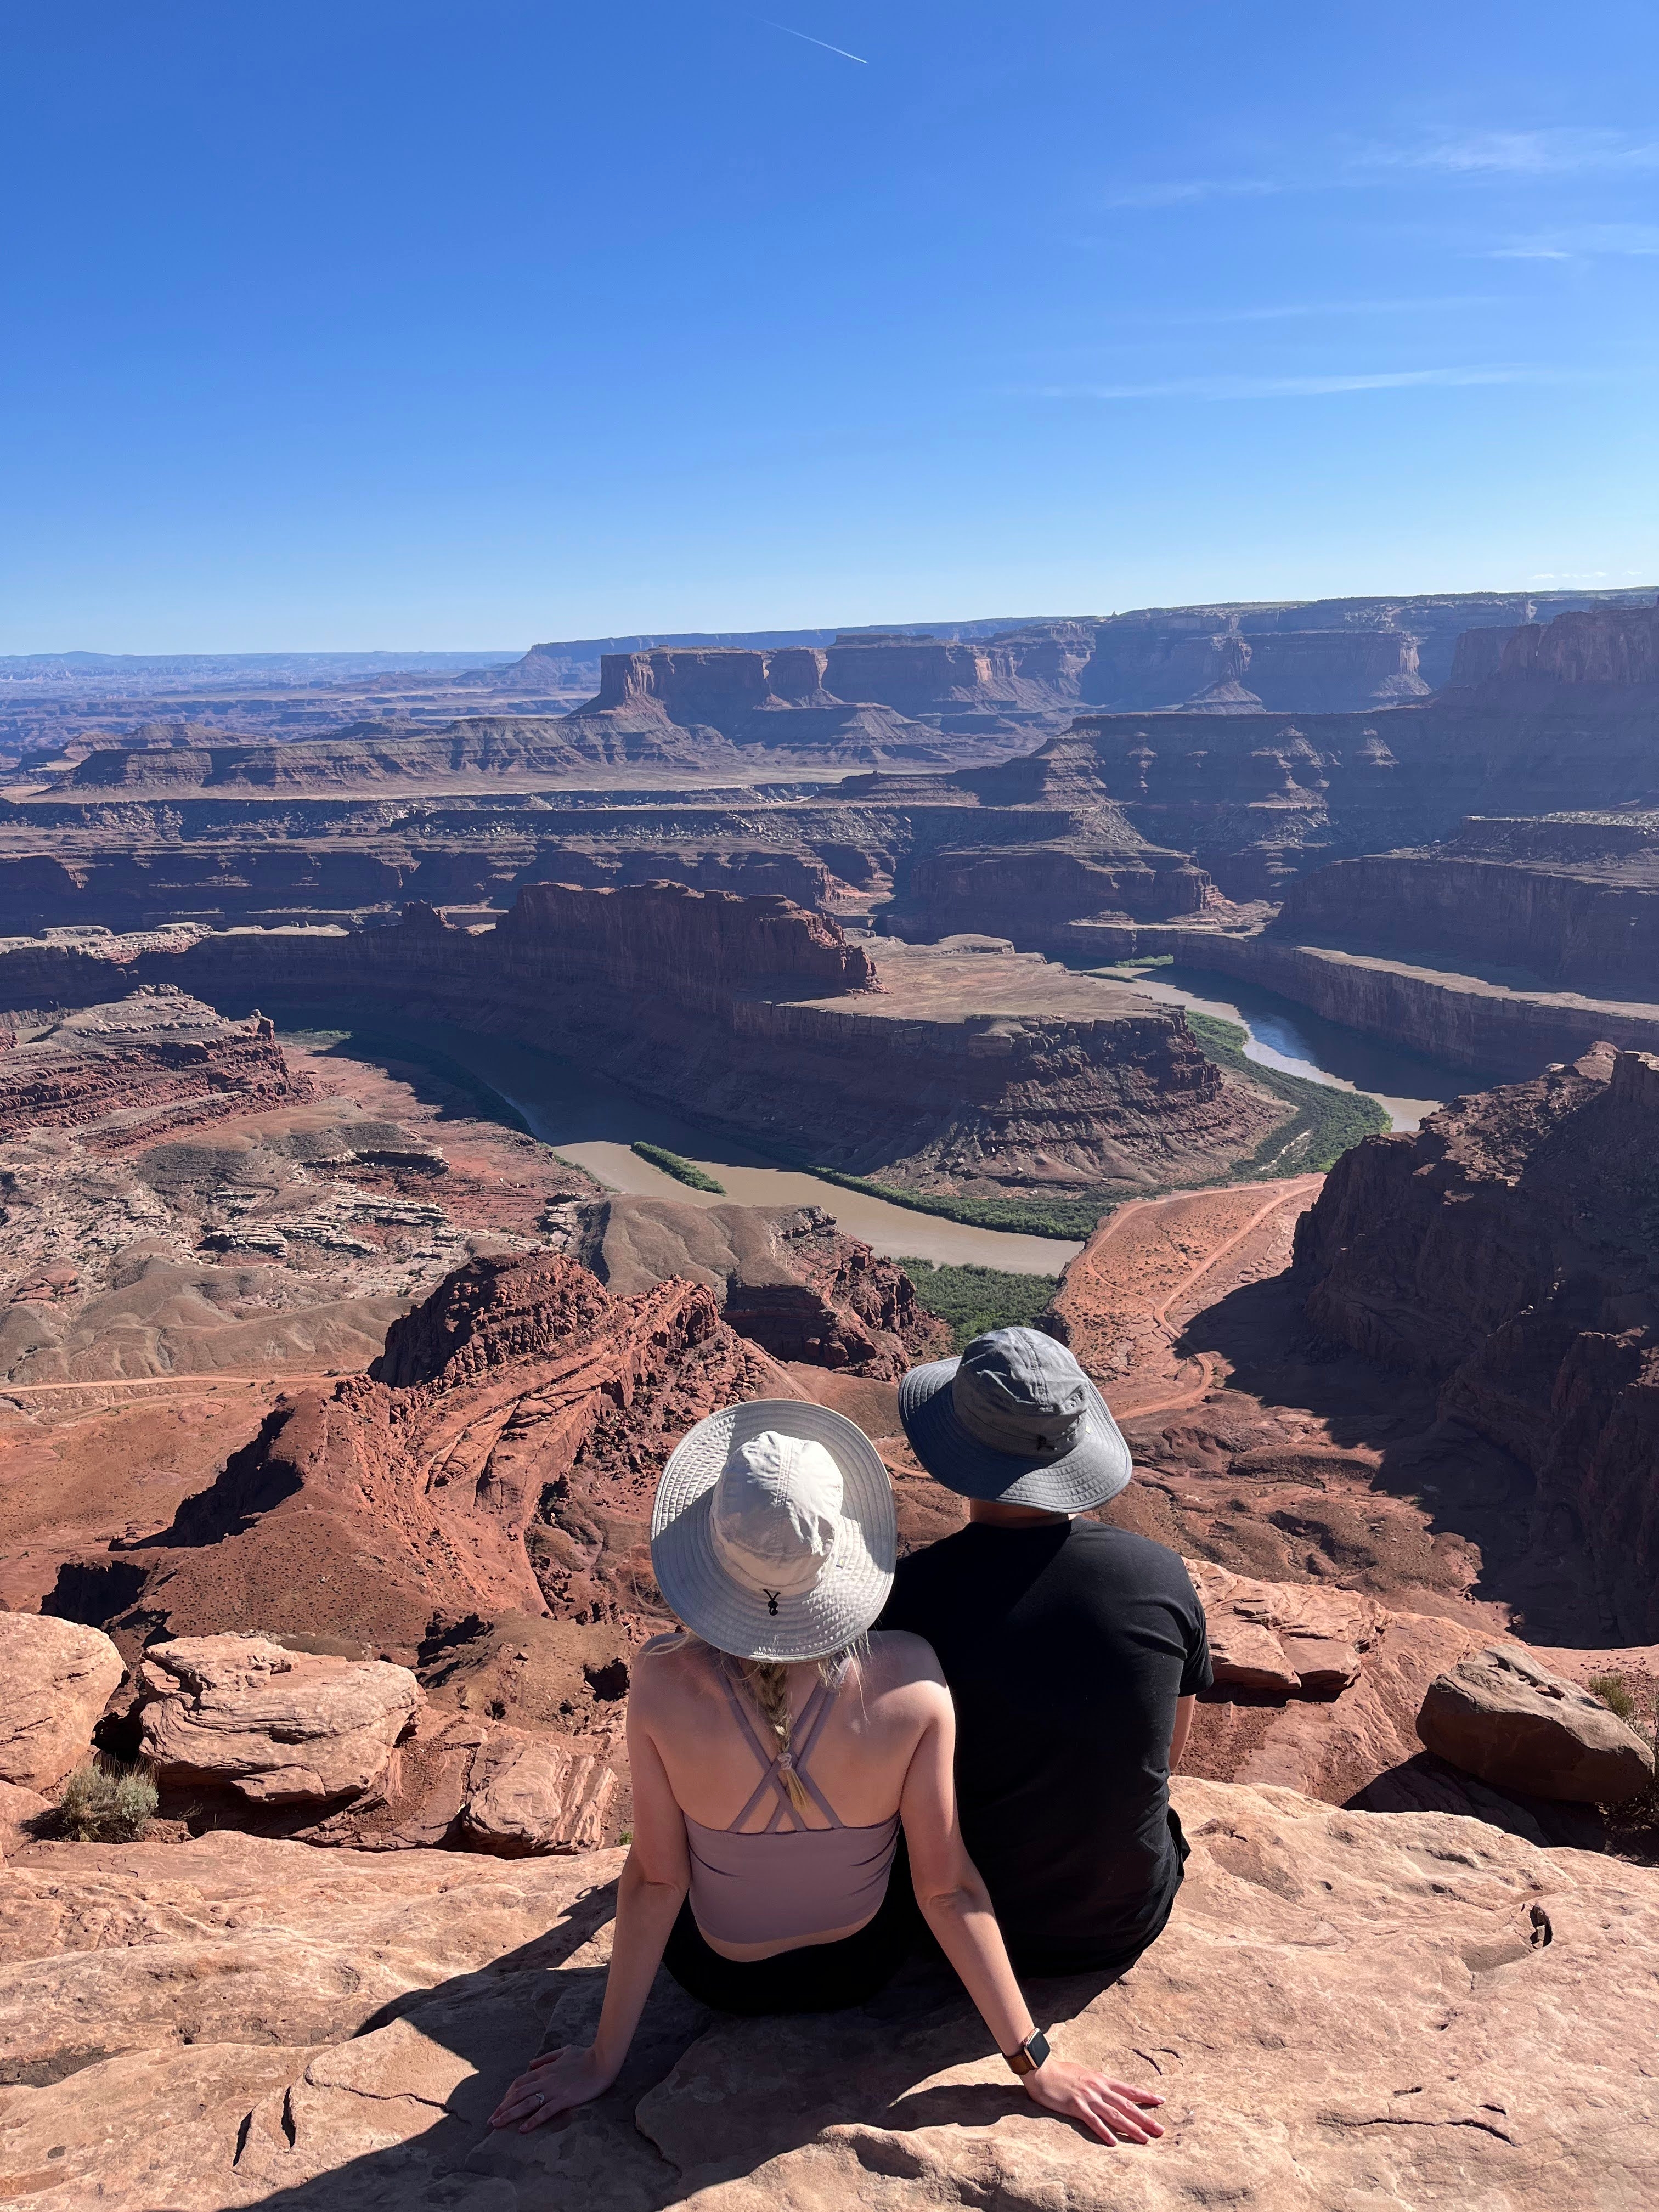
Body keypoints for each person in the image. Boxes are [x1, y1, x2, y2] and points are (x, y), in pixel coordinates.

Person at [489, 1397, 1166, 2148]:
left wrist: (600, 2059)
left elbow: (655, 1882)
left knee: (668, 1842)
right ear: (841, 1550)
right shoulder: (913, 1676)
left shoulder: (659, 1680)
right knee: (915, 1831)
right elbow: (947, 1890)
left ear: (713, 1557)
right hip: (862, 1971)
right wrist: (1033, 2060)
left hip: (719, 1979)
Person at [878, 1327, 1211, 1979]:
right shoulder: (1159, 1573)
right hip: (1122, 1919)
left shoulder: (907, 1600)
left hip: (961, 1935)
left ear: (957, 1447)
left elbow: (882, 1788)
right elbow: (1166, 1757)